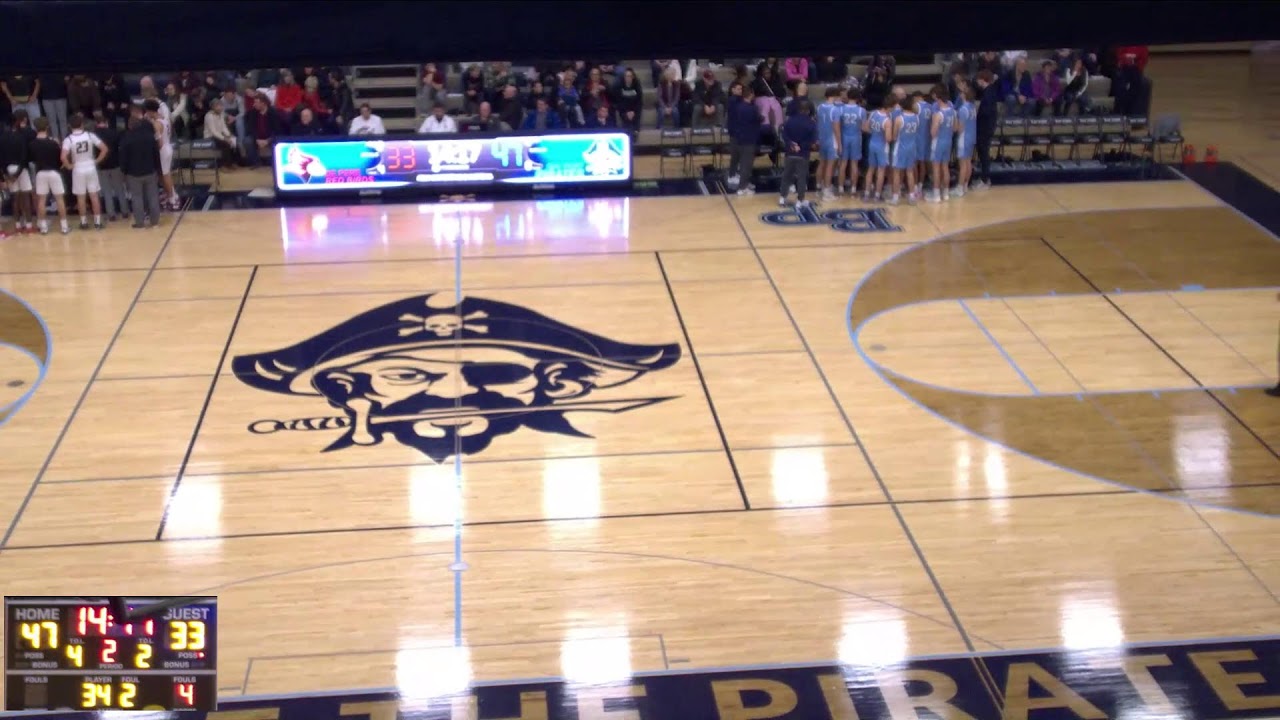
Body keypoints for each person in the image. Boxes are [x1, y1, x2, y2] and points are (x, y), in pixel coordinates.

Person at [60, 112, 108, 230]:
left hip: (78, 168)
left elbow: (63, 157)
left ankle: (84, 222)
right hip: (90, 167)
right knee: (94, 196)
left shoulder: (68, 139)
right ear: (82, 124)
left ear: (69, 126)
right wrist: (96, 161)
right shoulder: (90, 135)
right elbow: (104, 149)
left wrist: (69, 166)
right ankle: (97, 222)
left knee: (80, 197)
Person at [119, 107, 161, 229]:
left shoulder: (126, 139)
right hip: (150, 171)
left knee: (137, 198)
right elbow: (156, 154)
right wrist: (158, 169)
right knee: (153, 196)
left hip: (133, 173)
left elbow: (123, 158)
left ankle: (140, 223)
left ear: (129, 126)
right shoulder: (149, 136)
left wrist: (124, 172)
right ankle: (155, 222)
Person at [29, 117, 69, 235]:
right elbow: (60, 160)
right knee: (59, 199)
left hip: (40, 173)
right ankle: (64, 227)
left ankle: (43, 227)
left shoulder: (32, 144)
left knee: (41, 200)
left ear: (35, 128)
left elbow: (32, 159)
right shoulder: (53, 143)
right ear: (47, 127)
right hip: (54, 172)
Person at [0, 110, 35, 234]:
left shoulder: (3, 137)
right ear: (18, 122)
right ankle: (29, 226)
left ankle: (18, 225)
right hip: (21, 169)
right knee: (26, 197)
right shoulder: (22, 136)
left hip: (9, 169)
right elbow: (24, 156)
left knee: (15, 198)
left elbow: (1, 158)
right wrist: (18, 173)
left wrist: (7, 174)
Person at [777, 99, 816, 207]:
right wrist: (802, 146)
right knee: (801, 178)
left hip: (790, 153)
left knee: (786, 176)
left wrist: (791, 144)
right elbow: (812, 141)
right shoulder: (811, 123)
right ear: (809, 110)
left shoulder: (790, 121)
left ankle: (782, 198)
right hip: (803, 154)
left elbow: (784, 135)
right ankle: (800, 200)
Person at [726, 84, 762, 195]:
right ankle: (742, 187)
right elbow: (758, 120)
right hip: (748, 139)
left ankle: (743, 182)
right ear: (751, 95)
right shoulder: (752, 108)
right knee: (746, 164)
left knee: (741, 161)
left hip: (738, 137)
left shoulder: (738, 106)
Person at [93, 111, 126, 219]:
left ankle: (111, 214)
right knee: (120, 189)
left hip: (102, 166)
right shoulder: (114, 133)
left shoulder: (93, 135)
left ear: (96, 123)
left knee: (106, 191)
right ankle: (125, 211)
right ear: (106, 122)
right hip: (115, 164)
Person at [928, 84, 957, 203]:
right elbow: (955, 128)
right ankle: (945, 193)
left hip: (938, 142)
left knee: (936, 168)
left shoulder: (938, 114)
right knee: (945, 167)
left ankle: (936, 195)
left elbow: (933, 132)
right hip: (948, 141)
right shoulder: (952, 111)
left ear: (938, 98)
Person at [888, 95, 918, 205]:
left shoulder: (899, 119)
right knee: (910, 172)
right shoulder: (916, 118)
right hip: (912, 147)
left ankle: (895, 197)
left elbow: (894, 136)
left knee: (896, 173)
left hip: (900, 148)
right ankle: (912, 196)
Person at [816, 87, 843, 201]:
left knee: (822, 163)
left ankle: (819, 187)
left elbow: (818, 123)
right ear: (835, 95)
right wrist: (839, 143)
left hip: (822, 138)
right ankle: (827, 191)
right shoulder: (835, 110)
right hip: (831, 140)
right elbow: (836, 128)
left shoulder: (819, 107)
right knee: (830, 166)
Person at [837, 86, 865, 197]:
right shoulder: (861, 110)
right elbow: (863, 127)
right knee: (854, 164)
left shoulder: (841, 109)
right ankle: (853, 189)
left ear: (848, 97)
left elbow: (838, 125)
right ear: (858, 98)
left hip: (844, 137)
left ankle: (840, 188)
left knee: (843, 164)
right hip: (856, 138)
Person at [863, 95, 892, 202]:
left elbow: (865, 128)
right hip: (882, 146)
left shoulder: (873, 113)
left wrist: (875, 133)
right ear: (890, 107)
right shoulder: (887, 120)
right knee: (881, 171)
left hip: (872, 143)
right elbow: (888, 138)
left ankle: (866, 194)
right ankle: (877, 195)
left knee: (870, 169)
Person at [973, 70, 998, 191]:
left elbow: (986, 112)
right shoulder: (989, 91)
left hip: (985, 128)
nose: (977, 82)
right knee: (983, 153)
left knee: (984, 154)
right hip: (987, 127)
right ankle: (984, 178)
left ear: (983, 79)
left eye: (978, 79)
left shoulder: (988, 92)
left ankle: (985, 180)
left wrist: (977, 115)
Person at [203, 98, 240, 166]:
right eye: (217, 106)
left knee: (234, 140)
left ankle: (235, 162)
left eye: (220, 106)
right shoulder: (209, 116)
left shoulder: (221, 114)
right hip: (210, 136)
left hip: (219, 135)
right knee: (226, 143)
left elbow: (223, 127)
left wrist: (229, 135)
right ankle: (226, 165)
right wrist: (225, 138)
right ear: (213, 107)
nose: (220, 108)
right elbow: (213, 132)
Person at [954, 87, 977, 196]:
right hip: (972, 137)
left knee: (963, 164)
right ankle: (965, 186)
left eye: (961, 92)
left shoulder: (963, 109)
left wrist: (954, 124)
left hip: (964, 138)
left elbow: (960, 128)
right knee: (968, 163)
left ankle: (959, 188)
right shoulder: (973, 107)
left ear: (964, 95)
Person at [914, 90, 934, 196]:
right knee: (925, 163)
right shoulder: (930, 106)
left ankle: (916, 187)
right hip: (928, 138)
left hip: (918, 138)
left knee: (916, 164)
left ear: (916, 98)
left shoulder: (916, 106)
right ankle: (922, 185)